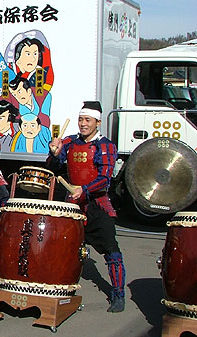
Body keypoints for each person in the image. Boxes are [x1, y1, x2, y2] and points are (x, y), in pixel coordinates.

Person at [46, 101, 125, 313]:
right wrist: (54, 154)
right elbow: (54, 168)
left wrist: (85, 189)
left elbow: (105, 178)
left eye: (87, 120)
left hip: (97, 205)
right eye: (80, 119)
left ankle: (118, 293)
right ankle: (61, 289)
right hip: (73, 204)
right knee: (65, 247)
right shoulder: (70, 142)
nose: (82, 124)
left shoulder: (105, 145)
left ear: (98, 122)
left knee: (111, 250)